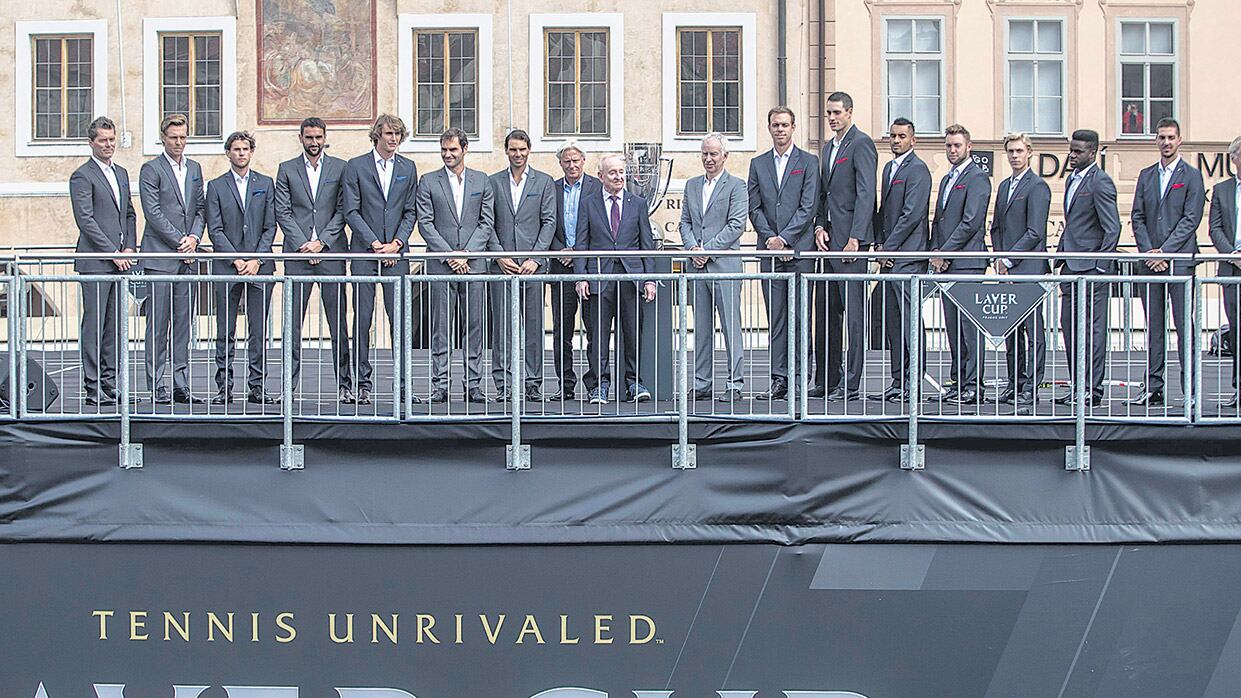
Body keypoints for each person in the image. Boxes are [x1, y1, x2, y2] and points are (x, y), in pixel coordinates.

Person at [275, 116, 354, 404]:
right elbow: (282, 211)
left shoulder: (340, 168)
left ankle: (345, 385)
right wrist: (302, 245)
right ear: (301, 138)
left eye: (318, 137)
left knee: (338, 324)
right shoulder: (286, 170)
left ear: (325, 137)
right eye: (309, 137)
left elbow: (344, 209)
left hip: (331, 254)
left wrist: (322, 243)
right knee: (292, 324)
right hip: (297, 257)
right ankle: (288, 387)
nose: (314, 142)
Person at [1128, 117, 1205, 406]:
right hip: (1151, 263)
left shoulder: (1192, 175)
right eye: (1161, 137)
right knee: (1154, 328)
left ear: (1180, 140)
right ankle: (1153, 387)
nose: (1166, 142)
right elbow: (1137, 216)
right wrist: (1150, 252)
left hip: (1180, 263)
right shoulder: (1147, 175)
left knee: (1185, 328)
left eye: (1171, 137)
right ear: (1156, 140)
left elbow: (1191, 219)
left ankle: (1191, 391)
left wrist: (1166, 252)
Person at [343, 114, 419, 406]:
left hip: (396, 254)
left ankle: (402, 385)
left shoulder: (407, 167)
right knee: (363, 320)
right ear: (377, 135)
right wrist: (375, 244)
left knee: (399, 321)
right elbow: (351, 211)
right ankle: (363, 384)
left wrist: (396, 243)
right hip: (365, 253)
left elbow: (410, 211)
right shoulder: (356, 166)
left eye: (398, 134)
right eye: (388, 133)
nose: (393, 139)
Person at [415, 127, 495, 404]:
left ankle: (473, 384)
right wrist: (450, 255)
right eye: (444, 150)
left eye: (453, 150)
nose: (448, 155)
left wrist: (467, 254)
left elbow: (487, 222)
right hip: (441, 266)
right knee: (441, 328)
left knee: (474, 327)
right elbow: (425, 223)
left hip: (474, 266)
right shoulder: (428, 181)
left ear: (464, 149)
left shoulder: (482, 181)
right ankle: (441, 385)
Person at [747, 106, 819, 401]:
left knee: (800, 318)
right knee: (776, 318)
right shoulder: (758, 163)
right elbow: (754, 206)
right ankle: (780, 378)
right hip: (770, 252)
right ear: (769, 127)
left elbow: (809, 205)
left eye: (785, 125)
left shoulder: (809, 162)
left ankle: (801, 377)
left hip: (799, 252)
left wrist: (786, 239)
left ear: (793, 127)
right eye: (775, 124)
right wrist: (770, 239)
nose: (780, 129)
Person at [574, 154, 657, 404]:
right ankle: (599, 386)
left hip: (631, 279)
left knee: (633, 333)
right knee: (597, 337)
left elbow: (647, 246)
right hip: (599, 278)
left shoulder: (638, 203)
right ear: (601, 176)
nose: (619, 177)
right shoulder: (588, 204)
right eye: (612, 172)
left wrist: (650, 279)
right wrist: (581, 277)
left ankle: (634, 383)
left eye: (621, 172)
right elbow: (582, 243)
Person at [205, 131, 279, 405]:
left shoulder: (265, 183)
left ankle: (257, 387)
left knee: (258, 331)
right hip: (228, 267)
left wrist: (256, 260)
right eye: (236, 149)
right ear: (228, 153)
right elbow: (215, 229)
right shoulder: (215, 186)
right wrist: (236, 259)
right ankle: (224, 388)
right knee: (225, 331)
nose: (241, 153)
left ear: (251, 152)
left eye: (245, 148)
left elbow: (271, 225)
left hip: (259, 267)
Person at [812, 91, 877, 401]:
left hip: (851, 243)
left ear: (850, 112)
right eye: (829, 113)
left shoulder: (860, 143)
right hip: (829, 242)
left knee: (853, 316)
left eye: (837, 112)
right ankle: (827, 378)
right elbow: (824, 195)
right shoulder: (828, 148)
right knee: (826, 312)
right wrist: (820, 226)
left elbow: (866, 193)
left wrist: (857, 237)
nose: (832, 118)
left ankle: (851, 383)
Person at [69, 116, 137, 407]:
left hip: (121, 261)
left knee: (115, 327)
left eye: (111, 140)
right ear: (91, 143)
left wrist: (131, 248)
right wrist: (112, 251)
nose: (108, 145)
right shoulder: (82, 176)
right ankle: (93, 387)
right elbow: (85, 219)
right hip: (96, 262)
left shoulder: (121, 173)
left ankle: (111, 384)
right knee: (95, 327)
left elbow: (130, 214)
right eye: (103, 141)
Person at [139, 113, 206, 405]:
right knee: (158, 325)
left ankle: (180, 383)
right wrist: (179, 240)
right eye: (173, 137)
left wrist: (194, 238)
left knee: (183, 325)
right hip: (160, 259)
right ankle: (156, 384)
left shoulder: (195, 168)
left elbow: (201, 208)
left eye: (183, 137)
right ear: (163, 137)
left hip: (187, 259)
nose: (178, 142)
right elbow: (152, 212)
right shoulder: (150, 169)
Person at [488, 129, 557, 402]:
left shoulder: (544, 182)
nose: (518, 154)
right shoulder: (492, 182)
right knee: (502, 328)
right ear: (506, 151)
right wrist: (498, 255)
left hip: (532, 268)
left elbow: (549, 222)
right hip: (502, 266)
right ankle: (504, 385)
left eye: (522, 149)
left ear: (530, 151)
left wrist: (535, 258)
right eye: (513, 149)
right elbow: (488, 221)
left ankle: (533, 383)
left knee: (533, 327)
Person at [681, 132, 749, 402]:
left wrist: (706, 250)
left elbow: (736, 225)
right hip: (697, 267)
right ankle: (702, 382)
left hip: (724, 265)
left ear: (725, 156)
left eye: (714, 154)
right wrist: (692, 249)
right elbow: (685, 221)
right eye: (705, 154)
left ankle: (735, 384)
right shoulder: (692, 185)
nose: (709, 159)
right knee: (701, 329)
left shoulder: (737, 186)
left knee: (730, 327)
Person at [1056, 129, 1122, 407]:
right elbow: (1074, 223)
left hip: (1092, 270)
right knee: (1069, 327)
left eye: (1078, 151)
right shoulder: (1073, 179)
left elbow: (1113, 228)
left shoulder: (1100, 182)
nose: (1072, 156)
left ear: (1092, 152)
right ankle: (1076, 386)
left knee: (1092, 331)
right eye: (1071, 150)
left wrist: (1100, 266)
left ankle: (1091, 389)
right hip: (1071, 266)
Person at [930, 124, 991, 404]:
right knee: (953, 328)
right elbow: (939, 220)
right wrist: (934, 252)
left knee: (969, 329)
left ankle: (973, 385)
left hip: (967, 263)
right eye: (948, 146)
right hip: (947, 263)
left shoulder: (977, 178)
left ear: (969, 146)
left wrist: (946, 252)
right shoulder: (946, 179)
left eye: (957, 145)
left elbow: (971, 221)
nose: (952, 150)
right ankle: (958, 382)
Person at [990, 132, 1051, 406]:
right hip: (1007, 270)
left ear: (1029, 152)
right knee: (1011, 331)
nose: (1015, 156)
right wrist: (999, 259)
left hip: (1028, 269)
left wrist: (1010, 260)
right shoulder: (1004, 186)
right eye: (1011, 151)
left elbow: (1035, 231)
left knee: (1033, 331)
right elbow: (996, 228)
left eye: (1019, 151)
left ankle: (1031, 385)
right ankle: (1014, 382)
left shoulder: (1037, 186)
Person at [871, 117, 931, 403]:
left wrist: (889, 249)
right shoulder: (889, 168)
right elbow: (886, 211)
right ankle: (898, 380)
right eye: (893, 136)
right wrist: (880, 243)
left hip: (907, 256)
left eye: (902, 136)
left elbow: (911, 214)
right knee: (894, 323)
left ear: (913, 139)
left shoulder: (918, 169)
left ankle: (913, 382)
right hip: (891, 256)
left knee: (910, 322)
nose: (896, 140)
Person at [550, 142, 603, 400]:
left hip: (590, 267)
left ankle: (595, 384)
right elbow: (546, 223)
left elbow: (603, 227)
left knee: (594, 329)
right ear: (561, 163)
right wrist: (561, 249)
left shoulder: (597, 187)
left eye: (575, 161)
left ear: (584, 161)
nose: (571, 165)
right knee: (562, 330)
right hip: (560, 266)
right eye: (566, 161)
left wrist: (579, 253)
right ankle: (566, 385)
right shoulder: (552, 188)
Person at [1207, 136, 1241, 407]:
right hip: (1232, 268)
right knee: (1237, 330)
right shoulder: (1222, 190)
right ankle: (1239, 388)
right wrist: (1231, 253)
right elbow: (1214, 228)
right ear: (1234, 159)